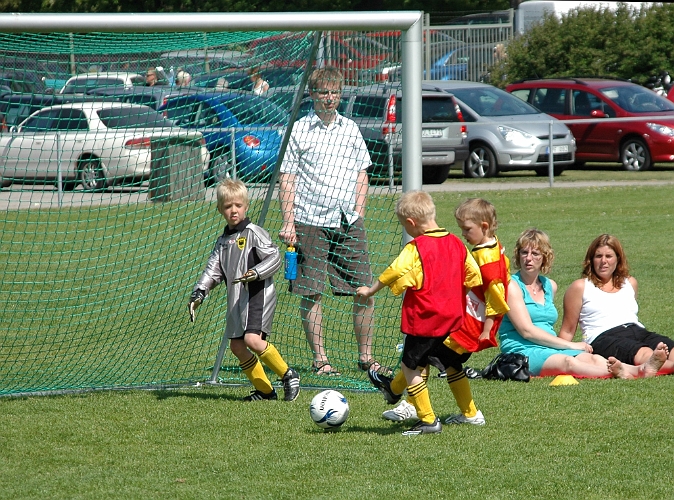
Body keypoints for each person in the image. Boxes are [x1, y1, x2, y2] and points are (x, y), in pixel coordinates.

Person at [370, 198, 509, 426]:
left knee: (419, 358)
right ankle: (468, 413)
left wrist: (487, 327)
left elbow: (496, 295)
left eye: (467, 229)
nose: (463, 234)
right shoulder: (493, 248)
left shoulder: (488, 261)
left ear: (484, 226)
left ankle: (409, 403)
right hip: (464, 319)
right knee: (442, 361)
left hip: (468, 324)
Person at [279, 66, 380, 377]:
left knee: (364, 289)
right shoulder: (299, 130)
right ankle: (321, 360)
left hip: (347, 222)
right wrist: (289, 221)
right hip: (309, 220)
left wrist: (358, 211)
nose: (330, 97)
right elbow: (288, 178)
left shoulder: (350, 129)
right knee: (310, 291)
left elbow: (362, 173)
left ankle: (367, 358)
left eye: (335, 92)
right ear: (312, 94)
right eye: (324, 92)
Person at [357, 190, 482, 436]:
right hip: (453, 318)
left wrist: (370, 290)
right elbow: (473, 274)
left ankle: (427, 420)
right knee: (451, 364)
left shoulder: (417, 248)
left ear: (411, 223)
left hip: (425, 319)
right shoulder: (457, 243)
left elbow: (394, 271)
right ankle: (470, 414)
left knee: (410, 367)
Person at [499, 228, 668, 379]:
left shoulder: (550, 286)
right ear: (517, 255)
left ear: (544, 258)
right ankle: (630, 373)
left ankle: (642, 368)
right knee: (567, 363)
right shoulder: (511, 285)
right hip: (522, 350)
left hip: (549, 347)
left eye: (535, 254)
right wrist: (570, 345)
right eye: (524, 252)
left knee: (594, 358)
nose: (528, 258)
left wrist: (565, 346)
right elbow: (527, 331)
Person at [188, 179, 300, 401]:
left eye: (238, 205)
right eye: (228, 206)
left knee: (252, 340)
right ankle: (266, 392)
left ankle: (288, 375)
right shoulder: (222, 241)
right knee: (237, 346)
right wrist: (199, 293)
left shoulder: (254, 232)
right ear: (220, 209)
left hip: (258, 295)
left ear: (246, 206)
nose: (233, 211)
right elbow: (213, 270)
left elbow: (275, 257)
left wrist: (256, 272)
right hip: (237, 300)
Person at [559, 234, 674, 374]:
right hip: (603, 337)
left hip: (636, 330)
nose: (603, 261)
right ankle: (652, 365)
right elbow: (567, 331)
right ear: (591, 260)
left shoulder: (630, 283)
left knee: (670, 349)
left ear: (618, 259)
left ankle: (657, 363)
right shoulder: (581, 287)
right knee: (645, 352)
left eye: (609, 256)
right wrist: (559, 355)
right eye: (598, 256)